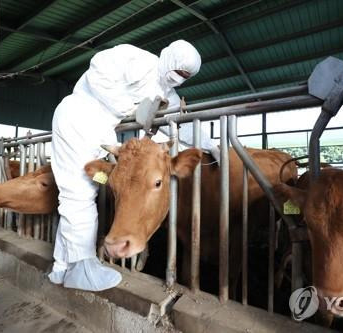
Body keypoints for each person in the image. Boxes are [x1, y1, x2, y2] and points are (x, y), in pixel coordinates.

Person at [48, 40, 217, 291]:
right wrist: (131, 108)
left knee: (75, 196)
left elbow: (184, 124)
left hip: (102, 130)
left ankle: (61, 267)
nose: (179, 79)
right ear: (168, 59)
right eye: (178, 71)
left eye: (185, 77)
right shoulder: (138, 60)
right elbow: (99, 71)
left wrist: (211, 144)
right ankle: (82, 268)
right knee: (79, 195)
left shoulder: (166, 95)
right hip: (80, 116)